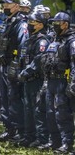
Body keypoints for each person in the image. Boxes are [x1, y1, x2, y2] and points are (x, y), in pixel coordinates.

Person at [0, 0, 29, 141]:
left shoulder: (21, 23)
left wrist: (18, 64)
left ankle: (19, 130)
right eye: (4, 4)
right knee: (4, 98)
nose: (5, 7)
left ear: (16, 6)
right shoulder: (7, 22)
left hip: (13, 65)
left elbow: (24, 45)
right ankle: (9, 128)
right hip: (3, 65)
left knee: (14, 97)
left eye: (8, 5)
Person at [40, 11, 74, 153]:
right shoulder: (54, 39)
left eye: (57, 23)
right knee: (50, 113)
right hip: (50, 81)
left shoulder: (71, 41)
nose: (54, 25)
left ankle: (67, 144)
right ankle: (54, 142)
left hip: (62, 81)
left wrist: (72, 83)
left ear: (65, 24)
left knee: (62, 114)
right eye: (53, 23)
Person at [17, 11, 50, 147]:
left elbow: (38, 61)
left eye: (32, 22)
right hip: (27, 80)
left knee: (38, 110)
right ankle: (29, 136)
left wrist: (26, 72)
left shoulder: (42, 41)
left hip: (36, 79)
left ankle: (41, 139)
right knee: (28, 109)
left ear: (40, 25)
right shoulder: (30, 39)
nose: (29, 24)